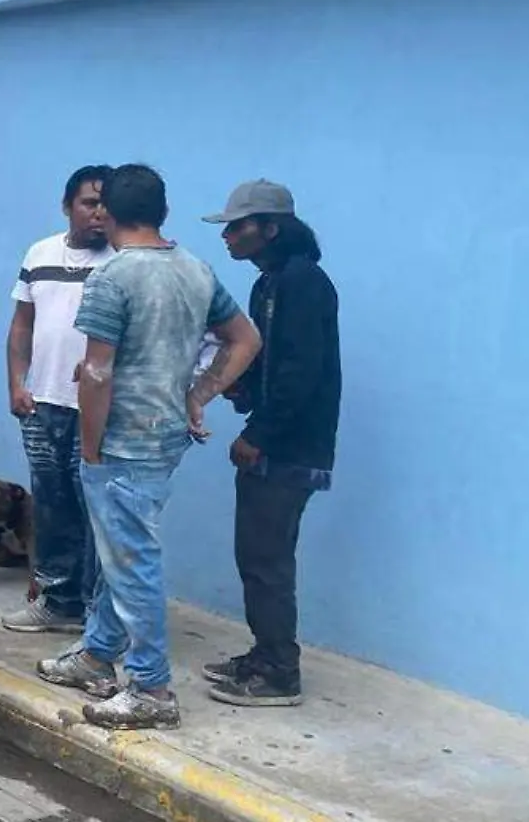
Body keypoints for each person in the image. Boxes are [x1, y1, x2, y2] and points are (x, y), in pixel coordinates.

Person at [35, 164, 261, 730]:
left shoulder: (113, 278)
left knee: (133, 561)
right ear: (162, 211)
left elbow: (96, 373)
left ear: (108, 211)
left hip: (121, 442)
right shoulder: (194, 269)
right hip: (164, 438)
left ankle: (152, 687)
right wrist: (199, 392)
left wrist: (89, 450)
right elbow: (245, 339)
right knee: (122, 552)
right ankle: (96, 655)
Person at [201, 181, 340, 708]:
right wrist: (241, 391)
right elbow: (270, 363)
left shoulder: (304, 283)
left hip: (289, 450)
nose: (229, 237)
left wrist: (258, 433)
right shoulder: (270, 284)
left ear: (271, 228)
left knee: (268, 558)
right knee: (256, 554)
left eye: (238, 226)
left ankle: (280, 672)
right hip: (275, 442)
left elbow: (302, 372)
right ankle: (265, 654)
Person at [2, 166, 114, 634]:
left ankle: (97, 613)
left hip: (95, 408)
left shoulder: (121, 261)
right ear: (67, 205)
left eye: (107, 205)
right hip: (42, 404)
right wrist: (16, 384)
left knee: (96, 512)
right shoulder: (40, 253)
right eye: (90, 203)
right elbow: (22, 325)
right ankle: (57, 599)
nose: (99, 214)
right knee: (51, 505)